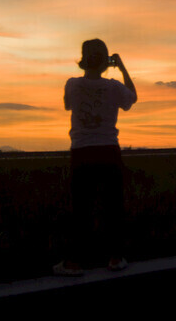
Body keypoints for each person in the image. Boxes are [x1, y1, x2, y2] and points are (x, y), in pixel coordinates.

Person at [53, 39, 137, 275]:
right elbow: (132, 97)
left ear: (83, 59)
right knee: (113, 206)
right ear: (106, 61)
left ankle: (74, 262)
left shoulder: (72, 84)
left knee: (81, 208)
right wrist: (122, 68)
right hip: (109, 150)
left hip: (82, 151)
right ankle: (115, 258)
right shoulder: (114, 87)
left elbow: (68, 105)